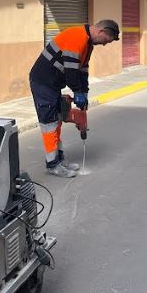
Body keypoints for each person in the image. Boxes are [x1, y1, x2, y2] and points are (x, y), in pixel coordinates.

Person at [29, 20, 120, 178]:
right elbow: (71, 73)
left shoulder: (88, 44)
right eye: (106, 40)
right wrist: (77, 92)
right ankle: (52, 165)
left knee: (57, 120)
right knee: (49, 123)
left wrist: (84, 92)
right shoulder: (77, 37)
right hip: (43, 83)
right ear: (102, 31)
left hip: (53, 85)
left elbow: (82, 71)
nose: (105, 44)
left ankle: (59, 160)